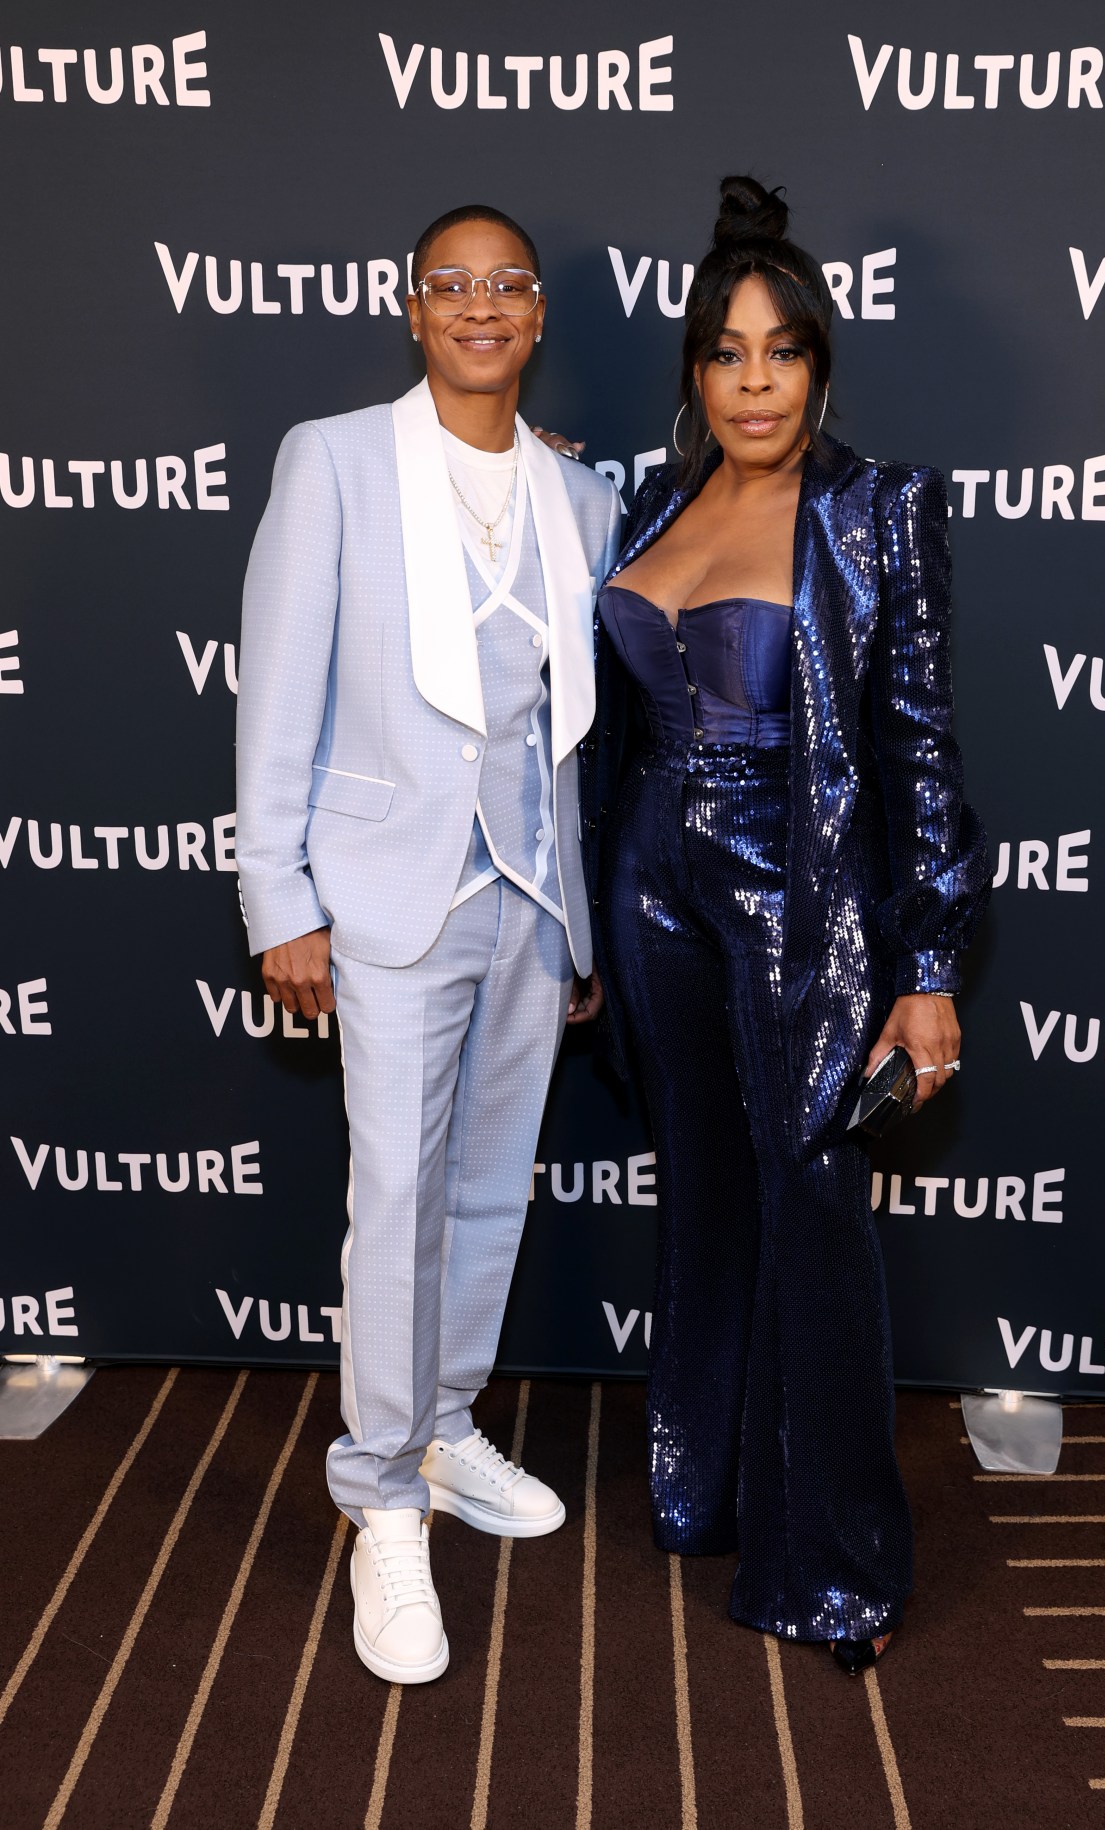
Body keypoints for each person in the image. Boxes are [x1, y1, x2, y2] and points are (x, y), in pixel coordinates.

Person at [582, 176, 989, 1674]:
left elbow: (922, 749)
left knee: (810, 1203)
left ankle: (834, 1564)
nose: (756, 381)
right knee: (702, 1186)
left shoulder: (878, 509)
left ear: (820, 364)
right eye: (726, 353)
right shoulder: (652, 499)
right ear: (694, 370)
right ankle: (704, 1485)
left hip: (795, 891)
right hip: (648, 884)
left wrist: (928, 961)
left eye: (783, 351)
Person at [236, 204, 618, 1685]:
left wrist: (575, 905)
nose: (480, 307)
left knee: (480, 1191)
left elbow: (571, 737)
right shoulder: (331, 460)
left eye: (506, 286)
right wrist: (283, 896)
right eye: (451, 286)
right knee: (392, 1193)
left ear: (534, 317)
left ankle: (446, 1427)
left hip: (525, 898)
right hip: (388, 894)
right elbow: (276, 688)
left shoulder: (574, 499)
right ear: (413, 310)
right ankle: (380, 1493)